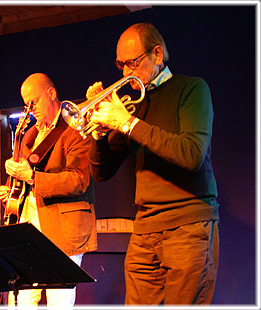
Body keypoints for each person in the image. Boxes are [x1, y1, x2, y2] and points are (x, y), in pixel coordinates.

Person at [87, 23, 219, 304]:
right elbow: (102, 172)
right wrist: (98, 133)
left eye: (132, 63)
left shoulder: (191, 89)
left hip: (188, 224)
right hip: (145, 227)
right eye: (120, 65)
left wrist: (127, 123)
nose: (125, 73)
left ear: (157, 54)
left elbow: (191, 154)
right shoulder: (133, 105)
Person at [0, 73, 97, 309]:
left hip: (62, 230)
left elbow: (79, 181)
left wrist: (31, 176)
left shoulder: (75, 127)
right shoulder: (29, 135)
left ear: (51, 94)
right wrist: (10, 192)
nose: (30, 109)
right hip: (27, 228)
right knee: (19, 300)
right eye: (26, 104)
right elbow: (25, 187)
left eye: (35, 101)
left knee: (58, 301)